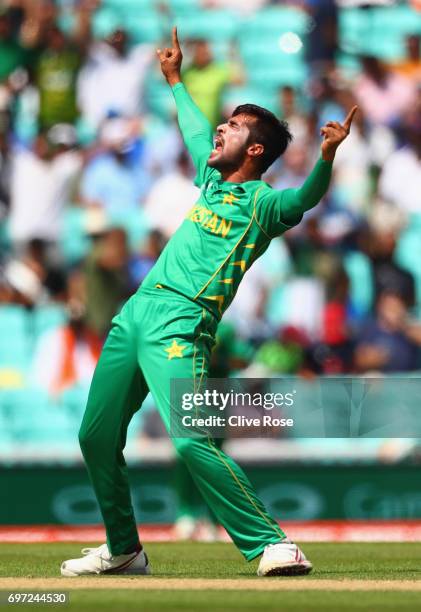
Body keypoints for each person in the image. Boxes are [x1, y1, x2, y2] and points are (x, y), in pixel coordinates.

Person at [61, 28, 357, 578]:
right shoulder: (210, 178)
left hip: (183, 323)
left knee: (191, 439)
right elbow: (195, 127)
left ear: (257, 149)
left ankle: (273, 544)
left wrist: (327, 158)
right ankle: (123, 548)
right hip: (136, 313)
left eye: (236, 127)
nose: (221, 128)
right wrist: (174, 81)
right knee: (94, 436)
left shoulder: (264, 205)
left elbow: (305, 199)